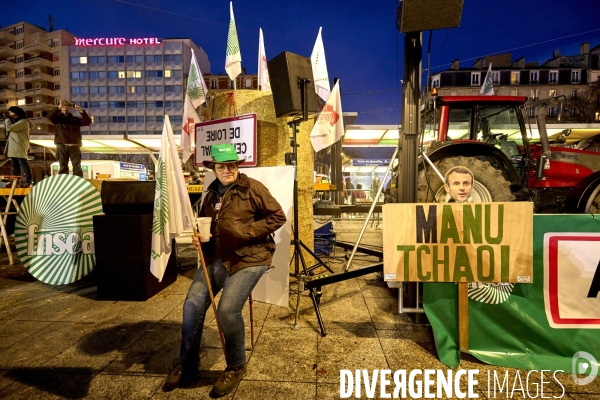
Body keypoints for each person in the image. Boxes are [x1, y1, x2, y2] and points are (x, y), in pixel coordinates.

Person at [165, 143, 286, 395]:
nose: (228, 170)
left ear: (237, 166)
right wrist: (199, 238)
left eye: (232, 165)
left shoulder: (252, 187)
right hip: (218, 258)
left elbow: (277, 216)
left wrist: (248, 232)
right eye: (222, 166)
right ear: (214, 168)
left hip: (250, 257)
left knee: (228, 311)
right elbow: (207, 229)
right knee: (191, 304)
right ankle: (188, 362)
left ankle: (236, 366)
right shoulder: (209, 195)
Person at [47, 100, 91, 177]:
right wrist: (58, 108)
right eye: (63, 105)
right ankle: (63, 183)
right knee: (63, 166)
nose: (65, 107)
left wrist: (81, 111)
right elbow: (49, 117)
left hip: (74, 145)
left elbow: (87, 121)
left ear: (70, 108)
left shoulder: (75, 120)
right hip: (62, 145)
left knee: (77, 166)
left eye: (67, 106)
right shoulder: (57, 119)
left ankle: (78, 183)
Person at [3, 106, 34, 187]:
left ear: (17, 113)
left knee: (23, 164)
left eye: (11, 112)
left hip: (19, 147)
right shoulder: (16, 122)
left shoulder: (24, 122)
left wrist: (7, 120)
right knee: (15, 166)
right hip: (13, 147)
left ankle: (28, 181)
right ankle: (15, 182)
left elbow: (10, 128)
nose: (10, 114)